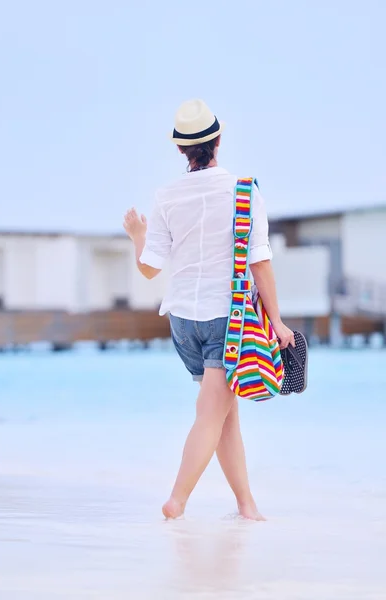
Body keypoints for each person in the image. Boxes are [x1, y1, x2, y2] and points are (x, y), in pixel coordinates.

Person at [123, 99, 294, 520]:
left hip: (182, 319)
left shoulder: (165, 196)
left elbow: (148, 270)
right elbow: (260, 261)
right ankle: (177, 500)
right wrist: (277, 321)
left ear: (181, 150)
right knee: (210, 414)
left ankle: (245, 504)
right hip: (228, 319)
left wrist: (136, 236)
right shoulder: (242, 189)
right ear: (218, 140)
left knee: (224, 414)